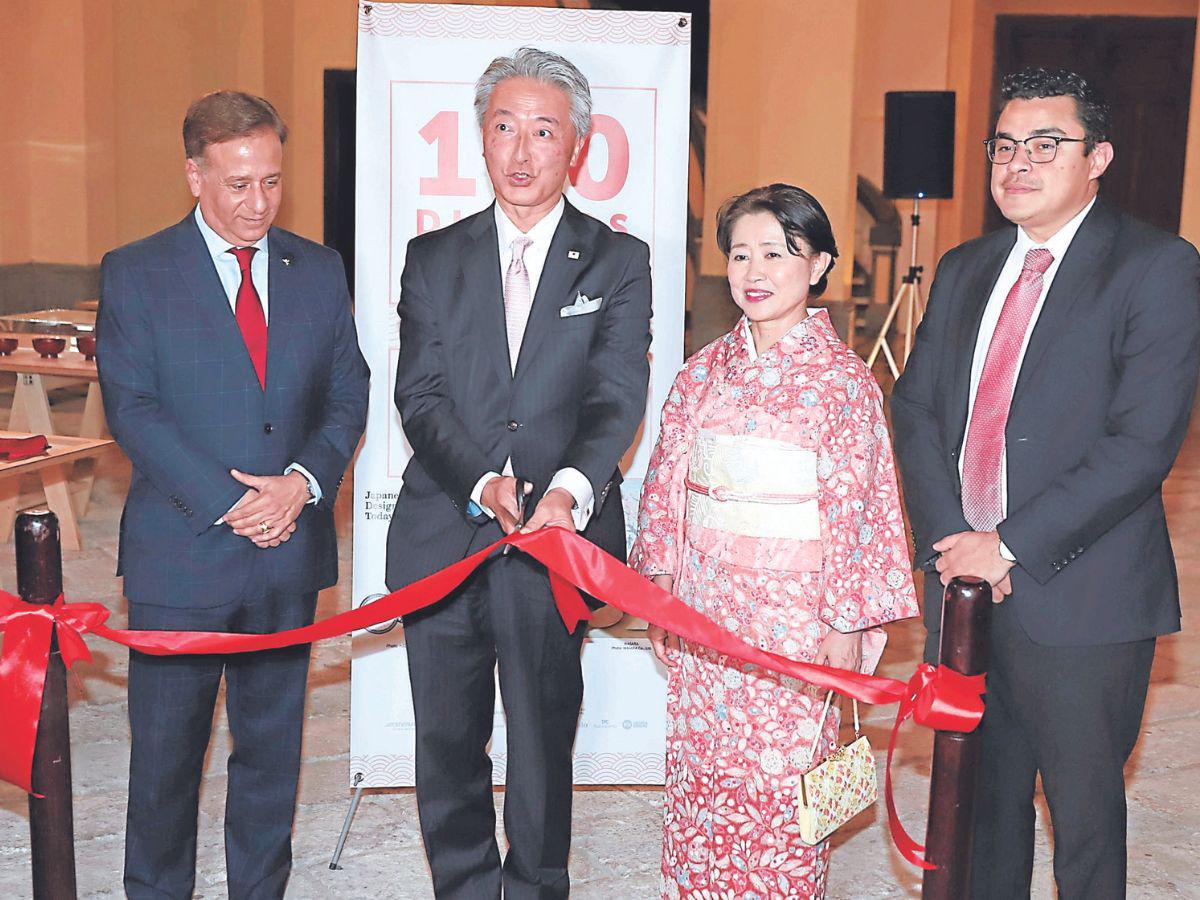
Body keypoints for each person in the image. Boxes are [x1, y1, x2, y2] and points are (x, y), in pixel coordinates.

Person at [892, 68, 1200, 898]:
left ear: (1097, 156)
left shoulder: (1156, 266)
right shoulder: (963, 267)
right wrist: (955, 544)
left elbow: (1141, 444)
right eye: (1003, 146)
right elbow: (915, 409)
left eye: (1045, 145)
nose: (1016, 165)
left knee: (1085, 814)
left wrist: (1010, 545)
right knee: (980, 808)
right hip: (965, 589)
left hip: (1083, 596)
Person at [385, 48, 652, 898]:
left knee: (541, 742)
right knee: (447, 741)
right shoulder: (433, 258)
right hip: (445, 530)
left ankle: (536, 889)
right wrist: (482, 483)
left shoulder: (617, 261)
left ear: (576, 145)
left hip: (554, 541)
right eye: (504, 127)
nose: (522, 149)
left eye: (544, 130)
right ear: (481, 136)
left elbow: (616, 399)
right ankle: (463, 887)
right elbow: (419, 397)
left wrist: (565, 494)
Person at [96, 91, 369, 899]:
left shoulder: (316, 269)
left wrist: (302, 484)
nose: (258, 204)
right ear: (194, 175)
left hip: (288, 557)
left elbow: (348, 390)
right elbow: (132, 408)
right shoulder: (137, 271)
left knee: (271, 758)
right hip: (182, 558)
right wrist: (233, 503)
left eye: (272, 183)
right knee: (165, 768)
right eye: (238, 185)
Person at [629, 184, 919, 898]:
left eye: (777, 253)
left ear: (818, 264)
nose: (754, 272)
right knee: (703, 781)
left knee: (781, 797)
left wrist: (847, 620)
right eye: (740, 255)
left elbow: (863, 509)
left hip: (794, 627)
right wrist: (660, 588)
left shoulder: (844, 385)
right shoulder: (701, 373)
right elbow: (665, 485)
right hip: (706, 615)